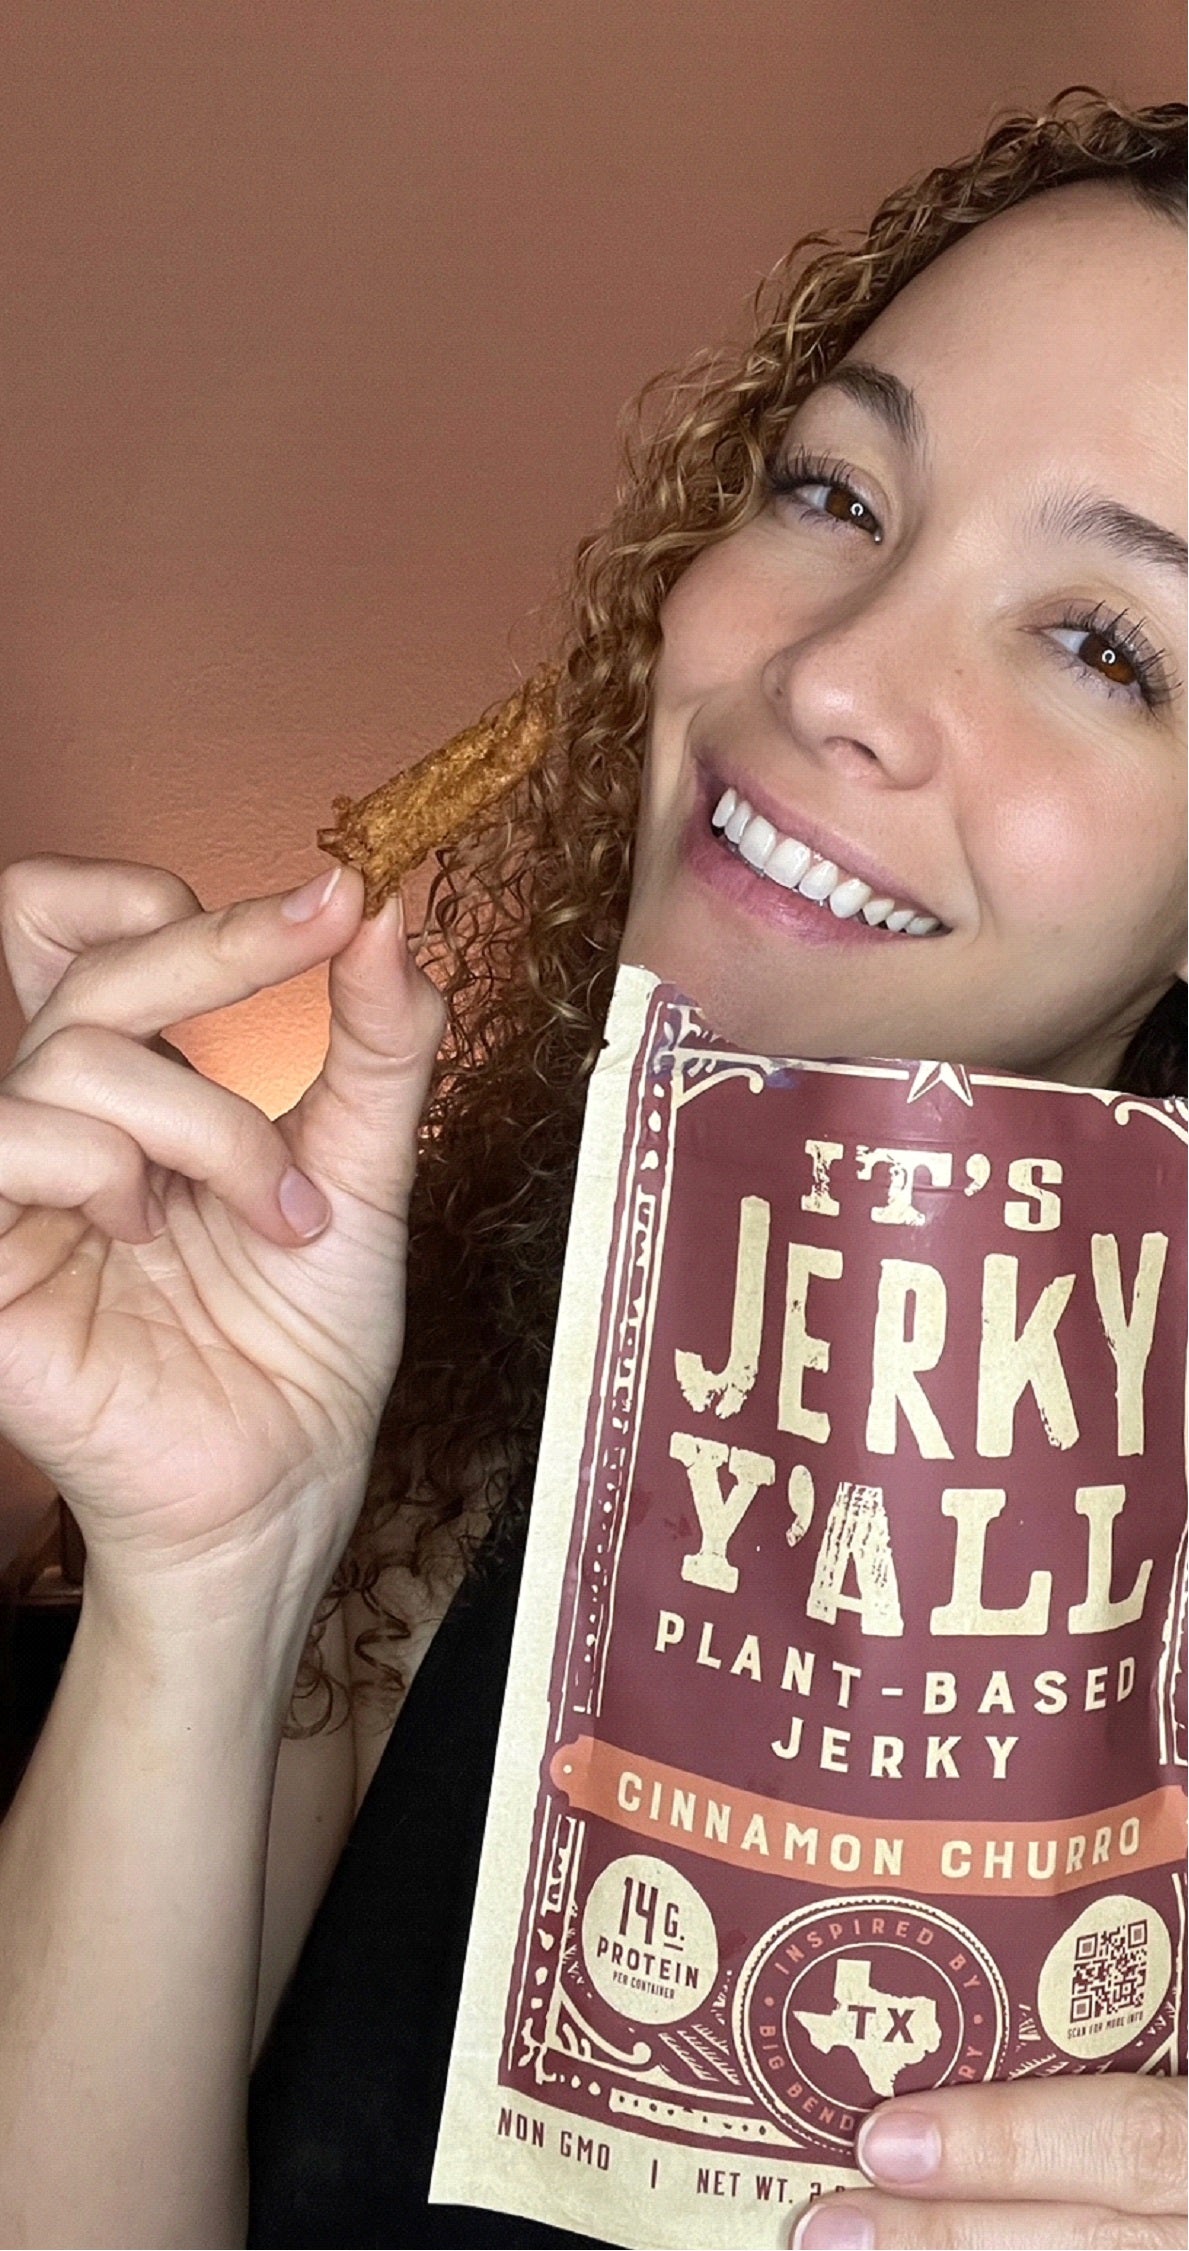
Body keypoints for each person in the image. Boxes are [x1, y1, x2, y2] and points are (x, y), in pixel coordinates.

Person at [0, 84, 1183, 2251]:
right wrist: (210, 1573)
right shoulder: (450, 1418)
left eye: (1104, 644)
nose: (827, 671)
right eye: (834, 490)